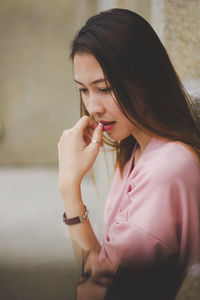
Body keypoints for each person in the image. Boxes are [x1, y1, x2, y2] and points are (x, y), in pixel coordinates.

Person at [57, 8, 200, 298]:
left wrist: (69, 187)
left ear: (147, 81)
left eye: (105, 88)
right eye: (83, 90)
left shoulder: (166, 170)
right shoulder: (134, 147)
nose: (93, 106)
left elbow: (99, 292)